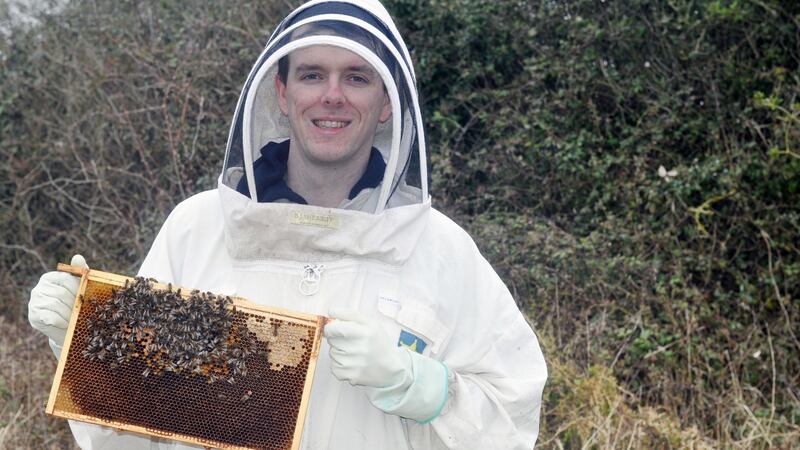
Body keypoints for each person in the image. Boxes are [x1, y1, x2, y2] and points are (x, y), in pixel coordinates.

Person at [28, 0, 548, 448]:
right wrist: (80, 347)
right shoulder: (198, 230)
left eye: (357, 77)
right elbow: (127, 436)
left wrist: (424, 387)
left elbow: (515, 420)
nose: (332, 95)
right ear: (282, 92)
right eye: (312, 74)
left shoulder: (441, 251)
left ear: (387, 102)